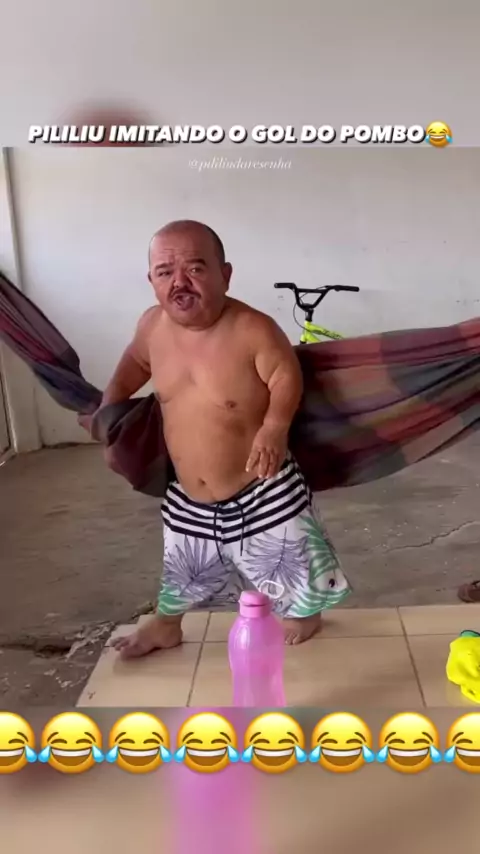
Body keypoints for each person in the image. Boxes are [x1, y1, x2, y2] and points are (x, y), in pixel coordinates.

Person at [83, 220, 350, 658]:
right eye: (165, 272)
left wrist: (274, 427)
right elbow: (135, 362)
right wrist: (108, 409)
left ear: (225, 275)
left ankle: (305, 613)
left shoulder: (252, 329)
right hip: (189, 489)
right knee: (183, 560)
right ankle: (166, 625)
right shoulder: (152, 326)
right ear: (151, 280)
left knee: (290, 551)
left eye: (195, 268)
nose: (179, 282)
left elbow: (285, 376)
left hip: (262, 481)